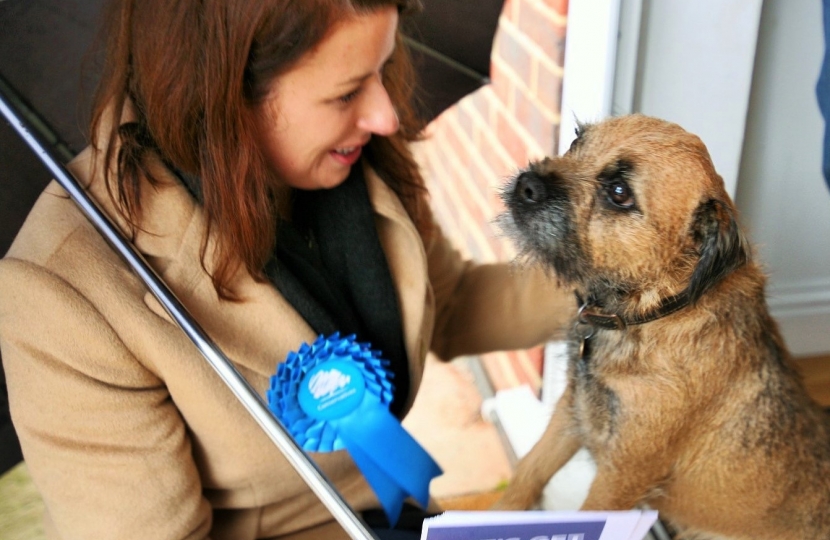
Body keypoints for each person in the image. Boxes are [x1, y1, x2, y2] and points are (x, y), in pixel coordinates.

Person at [0, 1, 573, 538]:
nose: (385, 114)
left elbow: (452, 303)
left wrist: (624, 285)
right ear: (223, 92)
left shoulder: (359, 167)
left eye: (383, 67)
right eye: (346, 94)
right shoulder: (67, 294)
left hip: (400, 516)